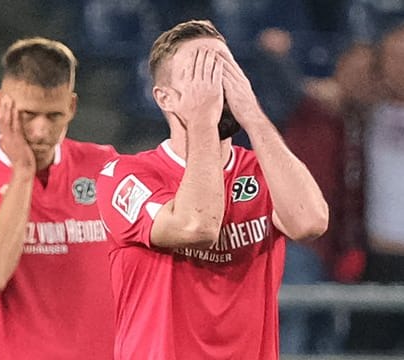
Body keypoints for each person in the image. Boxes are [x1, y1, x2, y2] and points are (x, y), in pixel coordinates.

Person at [96, 19, 328, 360]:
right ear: (165, 97)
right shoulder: (127, 176)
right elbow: (196, 226)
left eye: (223, 69)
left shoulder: (262, 169)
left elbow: (310, 222)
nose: (215, 87)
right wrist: (204, 120)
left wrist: (252, 113)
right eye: (199, 74)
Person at [0, 37, 117, 359]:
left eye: (54, 115)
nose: (41, 130)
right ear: (0, 103)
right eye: (28, 115)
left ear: (72, 106)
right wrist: (22, 173)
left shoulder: (104, 167)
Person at [280, 42, 377, 354]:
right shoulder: (309, 107)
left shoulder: (358, 123)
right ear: (339, 68)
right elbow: (272, 90)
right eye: (355, 70)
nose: (360, 79)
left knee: (326, 338)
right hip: (296, 242)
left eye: (368, 74)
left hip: (333, 247)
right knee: (291, 333)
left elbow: (351, 194)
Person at [347, 23, 404, 355]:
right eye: (393, 57)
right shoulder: (368, 108)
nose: (400, 65)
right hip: (381, 254)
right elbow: (345, 80)